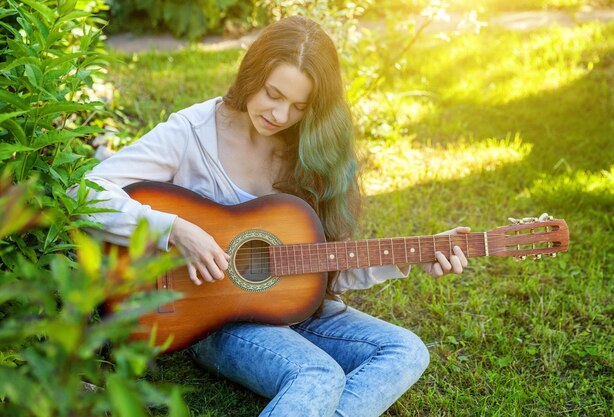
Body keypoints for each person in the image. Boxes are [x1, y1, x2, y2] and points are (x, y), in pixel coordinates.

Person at [70, 16, 470, 417]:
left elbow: (324, 268)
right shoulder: (191, 132)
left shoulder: (312, 151)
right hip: (213, 316)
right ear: (252, 74)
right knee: (317, 375)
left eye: (299, 106)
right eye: (273, 94)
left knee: (406, 350)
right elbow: (82, 192)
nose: (280, 115)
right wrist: (175, 229)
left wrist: (403, 259)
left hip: (297, 307)